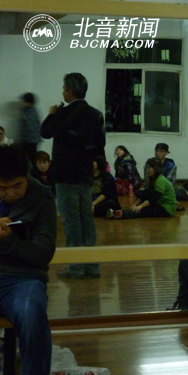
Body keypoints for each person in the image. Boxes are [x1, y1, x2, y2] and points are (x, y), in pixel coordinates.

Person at [0, 144, 57, 375]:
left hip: (22, 280)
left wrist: (7, 240)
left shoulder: (42, 197)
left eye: (17, 186)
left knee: (32, 315)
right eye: (1, 188)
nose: (10, 194)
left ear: (27, 176)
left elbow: (43, 252)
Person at [40, 72, 105, 279]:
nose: (62, 91)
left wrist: (51, 114)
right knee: (86, 218)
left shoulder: (63, 113)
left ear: (69, 91)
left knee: (70, 220)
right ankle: (92, 266)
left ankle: (76, 267)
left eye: (64, 88)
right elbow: (100, 144)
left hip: (66, 174)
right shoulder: (95, 114)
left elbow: (45, 132)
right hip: (85, 174)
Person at [109, 157, 177, 219]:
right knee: (139, 195)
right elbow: (147, 194)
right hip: (159, 204)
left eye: (149, 168)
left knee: (142, 211)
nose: (147, 170)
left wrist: (140, 206)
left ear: (156, 169)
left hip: (166, 209)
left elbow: (154, 198)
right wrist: (135, 205)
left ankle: (119, 214)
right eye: (147, 168)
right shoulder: (153, 179)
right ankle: (119, 213)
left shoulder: (160, 180)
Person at [18, 92, 42, 161]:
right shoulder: (29, 110)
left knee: (30, 159)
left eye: (24, 101)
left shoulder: (30, 112)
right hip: (29, 140)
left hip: (30, 141)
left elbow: (30, 127)